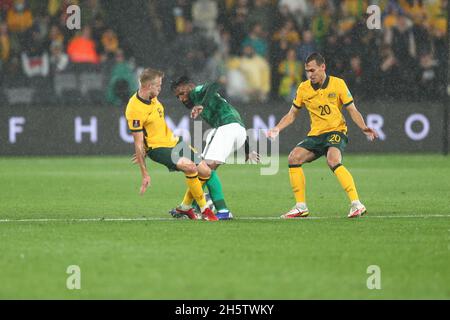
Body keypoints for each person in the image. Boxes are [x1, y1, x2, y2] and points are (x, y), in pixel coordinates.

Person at [267, 53, 378, 219]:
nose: (310, 74)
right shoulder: (303, 88)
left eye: (312, 70)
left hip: (336, 130)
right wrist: (277, 128)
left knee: (333, 159)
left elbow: (352, 109)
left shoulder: (338, 84)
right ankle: (300, 206)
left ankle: (356, 204)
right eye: (307, 71)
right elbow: (292, 114)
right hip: (316, 134)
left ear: (322, 67)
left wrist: (363, 127)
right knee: (293, 158)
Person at [125, 68, 217, 221]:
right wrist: (145, 173)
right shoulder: (134, 109)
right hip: (158, 148)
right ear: (148, 86)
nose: (160, 89)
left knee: (205, 172)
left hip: (174, 141)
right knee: (190, 167)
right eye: (158, 86)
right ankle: (205, 210)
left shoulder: (152, 97)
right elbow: (138, 142)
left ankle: (185, 208)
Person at [170, 76, 257, 220]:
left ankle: (218, 209)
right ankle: (191, 206)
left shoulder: (196, 92)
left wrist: (200, 104)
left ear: (190, 86)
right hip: (239, 132)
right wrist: (248, 150)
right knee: (204, 169)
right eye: (178, 96)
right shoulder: (203, 98)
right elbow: (236, 122)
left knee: (204, 168)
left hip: (226, 129)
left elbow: (213, 85)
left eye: (182, 93)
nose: (181, 98)